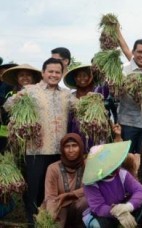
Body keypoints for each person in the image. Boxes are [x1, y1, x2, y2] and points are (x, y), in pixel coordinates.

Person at [3, 58, 76, 226]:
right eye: (50, 71)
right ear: (43, 73)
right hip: (36, 150)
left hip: (59, 152)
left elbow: (79, 106)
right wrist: (17, 97)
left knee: (53, 191)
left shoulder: (66, 94)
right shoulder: (31, 90)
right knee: (34, 190)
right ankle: (32, 222)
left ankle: (49, 221)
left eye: (57, 72)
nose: (54, 75)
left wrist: (93, 98)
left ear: (61, 74)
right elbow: (7, 106)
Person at [82, 141, 142, 228]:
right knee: (98, 225)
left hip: (122, 205)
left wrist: (128, 206)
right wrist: (116, 212)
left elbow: (140, 190)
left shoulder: (121, 173)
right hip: (103, 214)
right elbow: (99, 207)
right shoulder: (91, 183)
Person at [41, 133, 87, 227]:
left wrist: (69, 195)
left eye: (74, 146)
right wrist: (50, 220)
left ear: (81, 147)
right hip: (60, 206)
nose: (71, 150)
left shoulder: (88, 165)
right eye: (67, 147)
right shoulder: (53, 168)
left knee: (84, 202)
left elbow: (92, 189)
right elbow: (50, 197)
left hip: (80, 208)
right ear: (62, 149)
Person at [119, 39, 142, 153]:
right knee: (127, 156)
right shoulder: (124, 69)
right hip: (129, 123)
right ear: (133, 52)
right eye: (139, 52)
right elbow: (115, 93)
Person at [0, 64, 41, 151]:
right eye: (21, 75)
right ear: (17, 78)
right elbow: (6, 107)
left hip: (37, 134)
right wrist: (16, 97)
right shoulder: (13, 93)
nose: (25, 77)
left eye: (28, 75)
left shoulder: (40, 93)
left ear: (33, 77)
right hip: (17, 135)